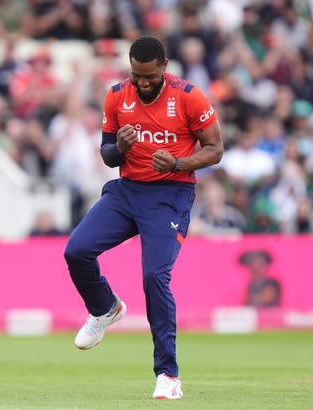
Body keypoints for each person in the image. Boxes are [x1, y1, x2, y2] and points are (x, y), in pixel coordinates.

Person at [63, 36, 224, 400]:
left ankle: (168, 374)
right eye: (137, 76)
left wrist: (179, 163)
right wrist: (119, 146)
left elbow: (215, 149)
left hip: (170, 195)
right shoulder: (117, 95)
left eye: (150, 76)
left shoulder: (189, 97)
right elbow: (107, 155)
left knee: (154, 276)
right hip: (127, 191)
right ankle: (105, 307)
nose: (143, 83)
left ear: (164, 68)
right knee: (76, 251)